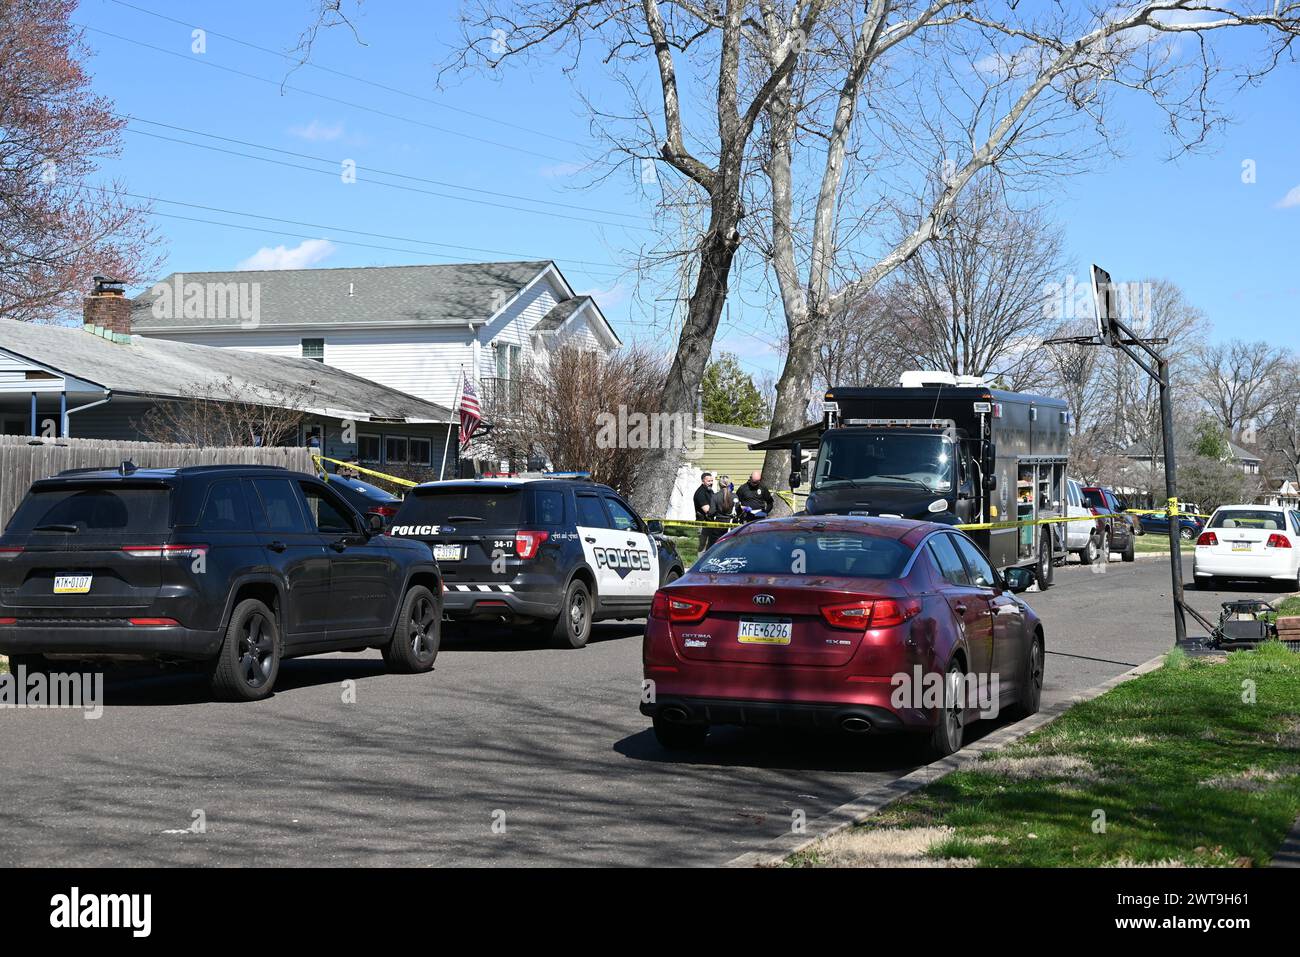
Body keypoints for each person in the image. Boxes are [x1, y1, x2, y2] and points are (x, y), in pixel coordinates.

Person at [693, 472, 722, 551]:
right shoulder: (700, 493)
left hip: (709, 524)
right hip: (703, 524)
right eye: (708, 481)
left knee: (709, 548)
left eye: (712, 481)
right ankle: (700, 563)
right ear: (703, 481)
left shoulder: (710, 491)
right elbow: (708, 510)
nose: (711, 483)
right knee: (702, 547)